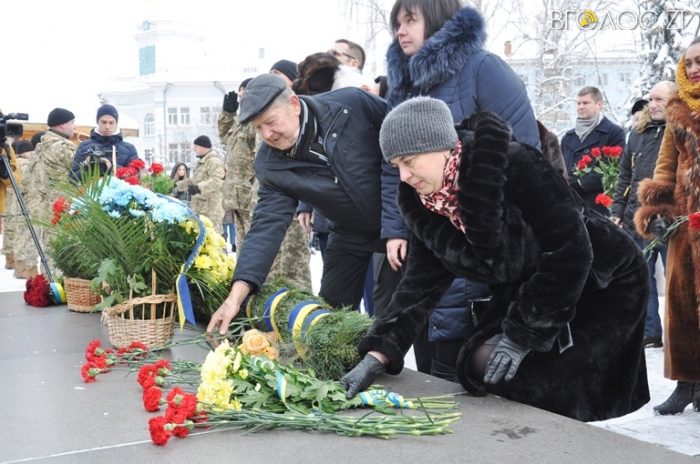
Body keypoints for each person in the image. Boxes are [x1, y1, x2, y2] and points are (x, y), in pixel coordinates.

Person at [340, 97, 650, 422]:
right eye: (396, 166)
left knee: (550, 387)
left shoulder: (513, 165)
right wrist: (377, 354)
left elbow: (571, 252)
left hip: (601, 280)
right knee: (486, 365)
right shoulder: (426, 204)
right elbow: (419, 286)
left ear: (441, 146)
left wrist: (522, 334)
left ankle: (567, 444)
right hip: (535, 286)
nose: (404, 176)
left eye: (409, 161)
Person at [379, 0, 541, 377]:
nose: (400, 31)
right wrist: (395, 229)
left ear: (437, 20)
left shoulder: (483, 69)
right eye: (396, 23)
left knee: (466, 354)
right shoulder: (402, 85)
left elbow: (522, 153)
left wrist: (482, 220)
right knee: (427, 340)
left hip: (478, 235)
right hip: (424, 235)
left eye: (410, 20)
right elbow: (390, 166)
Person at [207, 73, 392, 335]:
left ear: (294, 104)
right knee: (329, 326)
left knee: (395, 320)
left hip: (399, 221)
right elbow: (265, 229)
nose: (267, 135)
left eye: (270, 122)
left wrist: (402, 223)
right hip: (349, 232)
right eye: (258, 128)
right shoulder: (270, 164)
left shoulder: (351, 104)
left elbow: (402, 133)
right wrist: (235, 297)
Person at [634, 38, 700, 415]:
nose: (693, 69)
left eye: (699, 61)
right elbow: (665, 167)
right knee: (681, 304)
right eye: (687, 63)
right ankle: (686, 383)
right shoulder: (677, 110)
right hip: (684, 225)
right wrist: (658, 211)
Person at [612, 81, 675, 349]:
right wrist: (617, 210)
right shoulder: (638, 133)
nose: (653, 105)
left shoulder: (681, 130)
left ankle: (677, 334)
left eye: (660, 99)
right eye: (651, 99)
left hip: (671, 220)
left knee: (675, 280)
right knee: (642, 277)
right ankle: (650, 332)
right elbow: (625, 175)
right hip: (637, 218)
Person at [561, 86, 626, 216]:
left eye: (585, 103)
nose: (580, 107)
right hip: (570, 205)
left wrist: (580, 183)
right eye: (578, 103)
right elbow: (560, 167)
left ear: (599, 104)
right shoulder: (568, 137)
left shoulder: (614, 133)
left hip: (597, 206)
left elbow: (613, 170)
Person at [32, 107, 77, 277]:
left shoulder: (41, 146)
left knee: (50, 249)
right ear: (62, 124)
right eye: (72, 122)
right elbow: (83, 169)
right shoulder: (62, 146)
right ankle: (59, 286)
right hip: (62, 206)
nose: (74, 126)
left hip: (45, 206)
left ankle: (49, 284)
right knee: (63, 252)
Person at [219, 78, 256, 253]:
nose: (240, 95)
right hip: (237, 194)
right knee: (243, 241)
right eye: (240, 91)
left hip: (250, 192)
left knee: (253, 240)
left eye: (244, 92)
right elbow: (225, 137)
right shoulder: (241, 121)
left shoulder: (256, 120)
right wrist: (228, 114)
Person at [71, 104, 139, 180]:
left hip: (118, 187)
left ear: (116, 123)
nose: (107, 127)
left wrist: (112, 167)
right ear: (97, 122)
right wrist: (88, 167)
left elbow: (135, 178)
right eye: (103, 122)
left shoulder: (129, 148)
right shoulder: (84, 146)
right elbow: (73, 179)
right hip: (90, 187)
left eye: (111, 123)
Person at [174, 136, 225, 231]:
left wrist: (198, 188)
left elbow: (217, 180)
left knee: (212, 237)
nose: (194, 149)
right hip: (200, 209)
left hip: (211, 211)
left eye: (196, 147)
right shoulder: (202, 162)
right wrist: (176, 185)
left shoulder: (214, 162)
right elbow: (193, 180)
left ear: (203, 147)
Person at [2, 141, 36, 279]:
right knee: (23, 237)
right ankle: (22, 270)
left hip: (9, 204)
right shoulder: (27, 165)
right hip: (23, 205)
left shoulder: (13, 163)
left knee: (10, 233)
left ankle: (10, 261)